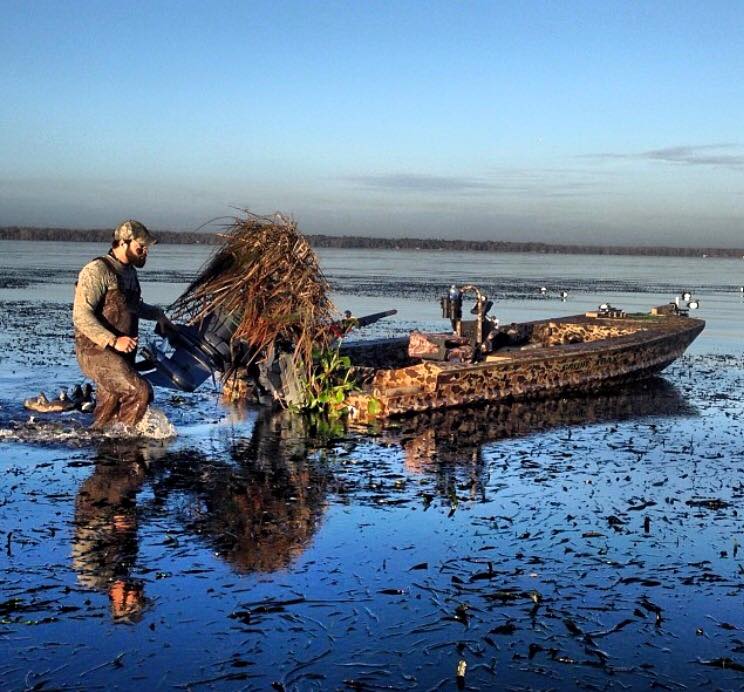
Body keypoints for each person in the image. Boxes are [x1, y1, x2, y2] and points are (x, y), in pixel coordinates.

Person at [73, 220, 171, 430]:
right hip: (96, 351)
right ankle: (125, 443)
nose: (145, 252)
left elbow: (133, 307)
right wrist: (113, 340)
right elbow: (81, 315)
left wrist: (158, 315)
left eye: (146, 248)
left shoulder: (130, 274)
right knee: (140, 391)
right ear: (124, 243)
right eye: (140, 247)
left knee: (107, 412)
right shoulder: (96, 271)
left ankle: (102, 446)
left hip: (122, 353)